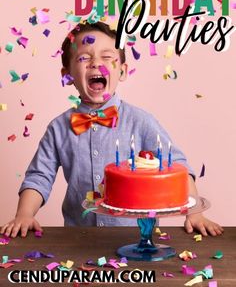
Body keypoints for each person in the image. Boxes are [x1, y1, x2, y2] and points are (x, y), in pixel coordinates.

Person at [1, 22, 223, 238]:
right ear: (67, 74)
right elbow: (39, 176)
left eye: (107, 57)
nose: (96, 63)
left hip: (136, 238)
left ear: (123, 71)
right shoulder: (58, 128)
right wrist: (24, 214)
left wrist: (195, 213)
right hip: (79, 238)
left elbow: (176, 165)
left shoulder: (141, 121)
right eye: (84, 57)